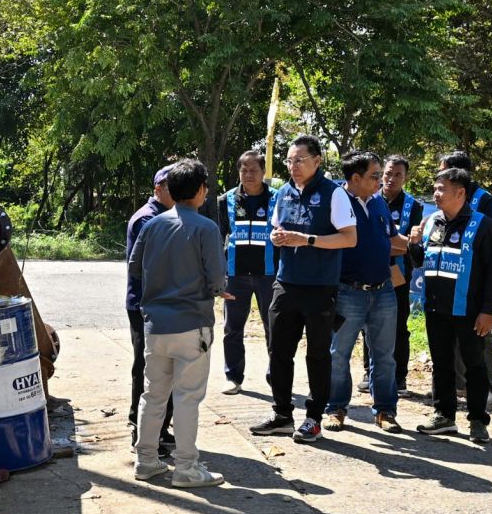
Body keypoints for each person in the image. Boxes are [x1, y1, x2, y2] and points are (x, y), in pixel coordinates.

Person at [250, 135, 357, 443]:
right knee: (278, 351)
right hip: (286, 283)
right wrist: (277, 237)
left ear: (317, 161)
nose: (293, 166)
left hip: (320, 287)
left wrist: (308, 240)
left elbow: (349, 238)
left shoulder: (334, 194)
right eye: (289, 160)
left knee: (318, 355)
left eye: (299, 160)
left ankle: (314, 418)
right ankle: (282, 414)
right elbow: (277, 228)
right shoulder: (283, 193)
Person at [130, 159, 229, 488]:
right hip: (191, 324)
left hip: (155, 325)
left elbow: (134, 268)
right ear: (200, 190)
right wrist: (216, 289)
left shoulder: (152, 225)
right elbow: (217, 279)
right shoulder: (206, 228)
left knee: (153, 394)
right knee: (187, 397)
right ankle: (186, 467)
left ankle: (146, 460)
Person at [410, 167, 492, 442]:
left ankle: (478, 420)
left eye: (442, 189)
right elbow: (419, 261)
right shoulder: (431, 222)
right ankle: (444, 415)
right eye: (435, 188)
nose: (436, 194)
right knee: (442, 363)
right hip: (435, 307)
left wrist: (487, 309)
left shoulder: (483, 225)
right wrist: (414, 243)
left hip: (469, 310)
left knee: (474, 365)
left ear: (460, 192)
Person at [326, 151, 402, 432]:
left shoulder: (379, 201)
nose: (380, 180)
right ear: (355, 178)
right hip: (348, 292)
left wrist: (417, 242)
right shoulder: (337, 201)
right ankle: (335, 408)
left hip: (384, 292)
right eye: (374, 175)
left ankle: (385, 411)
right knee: (338, 354)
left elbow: (392, 240)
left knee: (385, 356)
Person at [438, 150, 492, 394]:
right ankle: (460, 385)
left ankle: (489, 387)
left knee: (481, 334)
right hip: (451, 280)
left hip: (476, 281)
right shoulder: (442, 205)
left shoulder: (484, 201)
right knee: (452, 337)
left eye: (443, 170)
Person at [216, 149, 277, 394]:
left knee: (273, 328)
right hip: (235, 276)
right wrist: (218, 274)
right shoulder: (226, 200)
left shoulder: (277, 198)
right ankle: (233, 376)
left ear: (263, 171)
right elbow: (218, 237)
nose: (249, 174)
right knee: (232, 328)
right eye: (244, 170)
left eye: (254, 170)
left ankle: (276, 377)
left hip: (269, 275)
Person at [126, 166, 176, 454]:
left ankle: (159, 429)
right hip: (146, 305)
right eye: (170, 187)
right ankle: (142, 430)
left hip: (161, 304)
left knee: (165, 368)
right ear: (158, 189)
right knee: (148, 368)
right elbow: (148, 267)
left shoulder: (166, 216)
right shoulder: (148, 219)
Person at [381, 154, 425, 398]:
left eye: (398, 174)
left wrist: (384, 246)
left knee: (398, 326)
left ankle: (399, 378)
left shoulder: (413, 206)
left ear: (405, 178)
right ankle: (369, 372)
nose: (392, 178)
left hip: (398, 275)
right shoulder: (370, 199)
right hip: (370, 272)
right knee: (370, 325)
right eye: (388, 173)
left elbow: (411, 244)